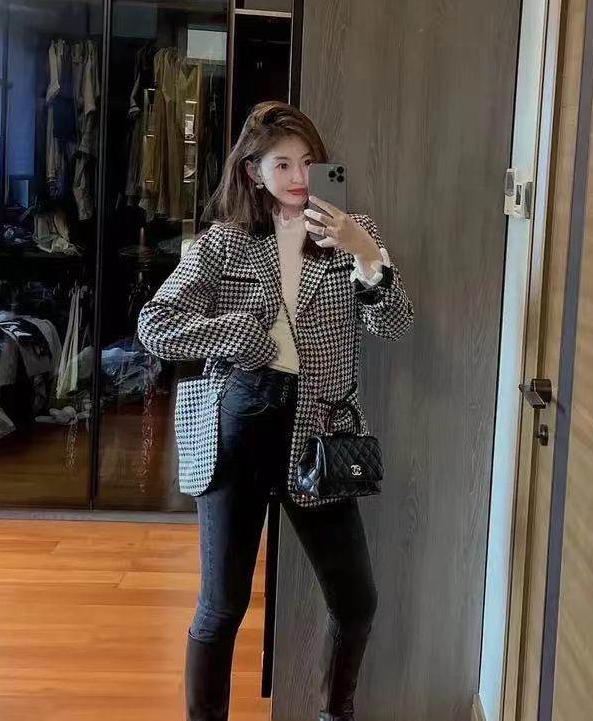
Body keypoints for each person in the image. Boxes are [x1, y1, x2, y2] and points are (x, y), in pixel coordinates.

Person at [137, 101, 414, 721]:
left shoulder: (350, 233)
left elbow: (394, 325)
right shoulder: (224, 242)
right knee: (222, 606)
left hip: (321, 432)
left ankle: (335, 714)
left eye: (309, 162)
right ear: (253, 170)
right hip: (240, 422)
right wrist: (236, 333)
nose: (298, 177)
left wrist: (366, 253)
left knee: (357, 601)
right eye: (282, 163)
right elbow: (156, 325)